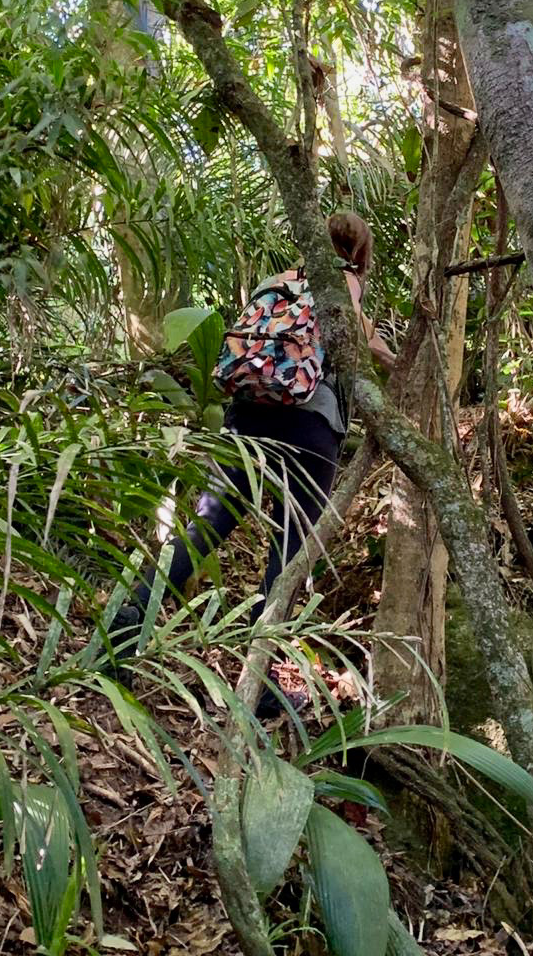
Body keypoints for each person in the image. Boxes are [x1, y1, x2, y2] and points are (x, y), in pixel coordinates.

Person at [107, 212, 394, 681]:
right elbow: (362, 339)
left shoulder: (274, 282)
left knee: (206, 525)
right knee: (289, 550)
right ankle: (259, 680)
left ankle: (126, 623)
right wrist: (401, 360)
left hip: (246, 413)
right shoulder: (344, 282)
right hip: (308, 424)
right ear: (361, 252)